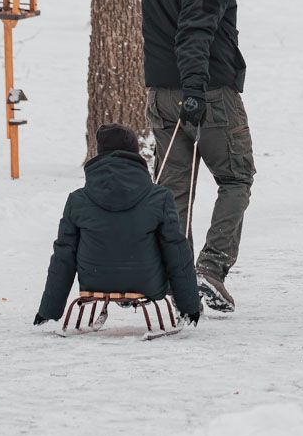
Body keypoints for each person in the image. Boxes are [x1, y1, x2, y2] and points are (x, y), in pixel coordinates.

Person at [141, 0, 255, 313]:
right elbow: (194, 32)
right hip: (205, 93)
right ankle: (209, 270)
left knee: (173, 189)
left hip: (161, 94)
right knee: (237, 177)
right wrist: (194, 91)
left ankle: (177, 275)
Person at [34, 123, 202, 327]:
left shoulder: (77, 200)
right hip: (148, 283)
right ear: (134, 152)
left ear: (100, 153)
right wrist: (189, 306)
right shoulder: (160, 197)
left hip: (95, 281)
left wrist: (48, 310)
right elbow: (177, 251)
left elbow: (64, 255)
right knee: (168, 244)